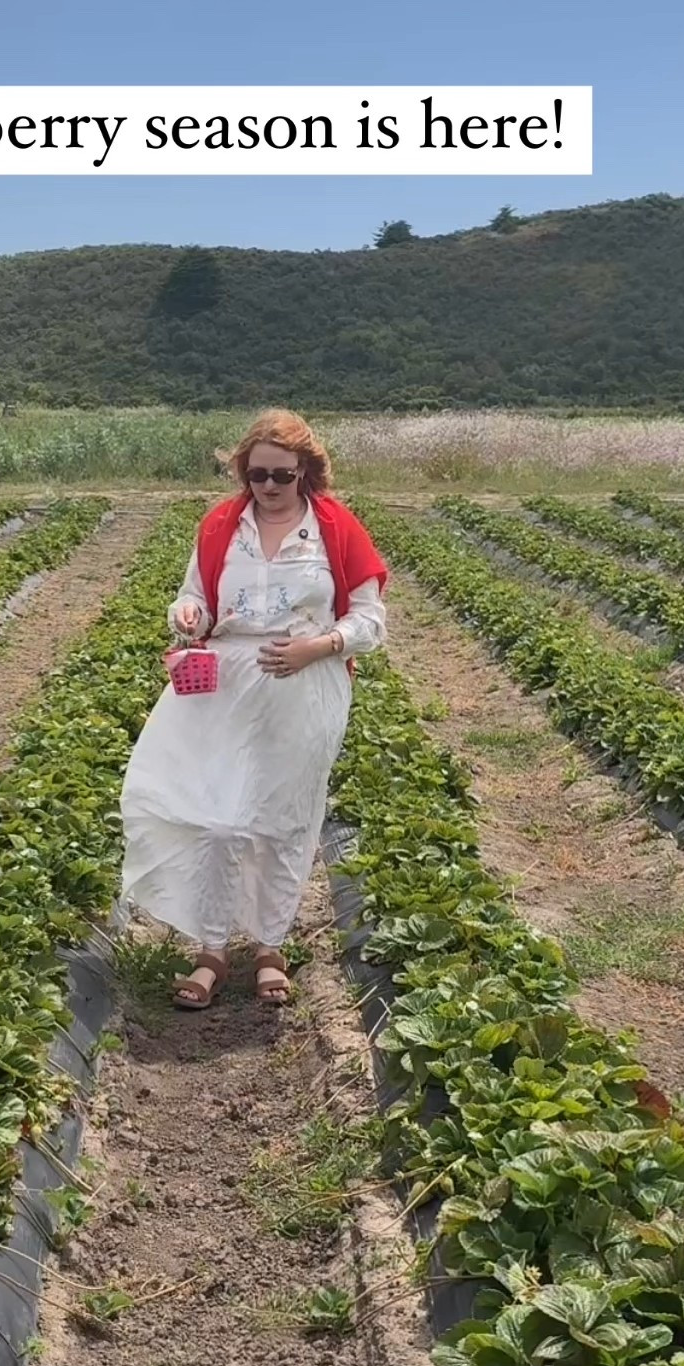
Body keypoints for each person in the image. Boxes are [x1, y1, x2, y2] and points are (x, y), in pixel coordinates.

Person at [118, 409, 389, 1009]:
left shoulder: (335, 528)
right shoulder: (221, 525)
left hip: (304, 687)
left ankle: (270, 947)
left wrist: (318, 646)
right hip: (225, 685)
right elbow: (194, 595)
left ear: (305, 472)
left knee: (283, 820)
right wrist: (188, 615)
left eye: (281, 475)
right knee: (213, 817)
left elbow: (370, 620)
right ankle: (211, 949)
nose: (268, 486)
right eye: (257, 474)